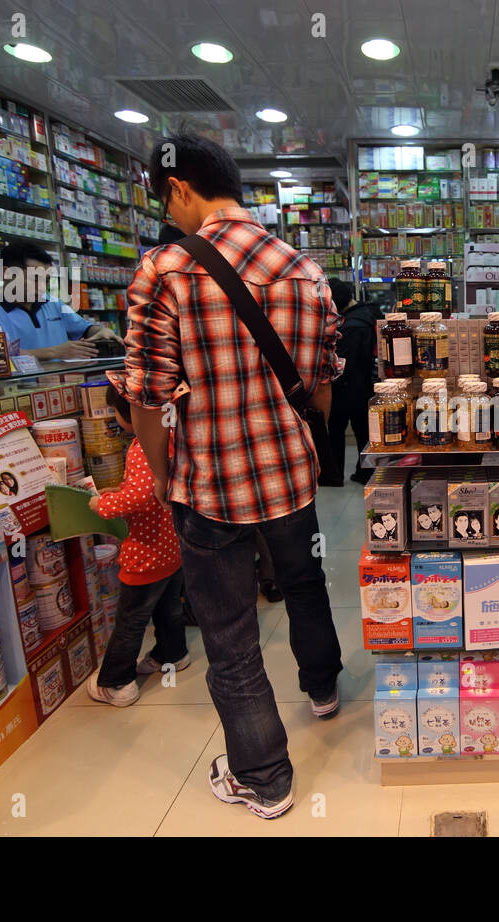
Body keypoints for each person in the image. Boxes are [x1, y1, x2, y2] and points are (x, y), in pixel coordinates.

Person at [115, 134, 344, 821]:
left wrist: (159, 475)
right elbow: (325, 386)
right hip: (289, 478)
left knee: (230, 634)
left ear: (180, 188)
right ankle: (324, 688)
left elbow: (146, 396)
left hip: (210, 484)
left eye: (167, 199)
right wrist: (303, 444)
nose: (171, 212)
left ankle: (266, 777)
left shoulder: (164, 269)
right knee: (304, 582)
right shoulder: (304, 269)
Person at [85, 383, 189, 707]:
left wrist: (102, 505)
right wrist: (122, 490)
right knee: (169, 607)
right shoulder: (173, 435)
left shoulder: (143, 445)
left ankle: (118, 682)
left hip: (146, 551)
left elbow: (142, 495)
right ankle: (172, 654)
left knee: (131, 618)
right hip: (172, 546)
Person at [0, 243, 121, 361]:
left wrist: (101, 331)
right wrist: (55, 352)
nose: (42, 287)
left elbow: (84, 328)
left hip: (62, 386)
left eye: (46, 280)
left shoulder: (52, 302)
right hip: (18, 391)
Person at [326, 277, 380, 485]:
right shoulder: (364, 315)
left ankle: (334, 474)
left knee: (336, 432)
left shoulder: (352, 325)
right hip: (362, 384)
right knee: (363, 433)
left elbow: (342, 361)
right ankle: (364, 471)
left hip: (347, 387)